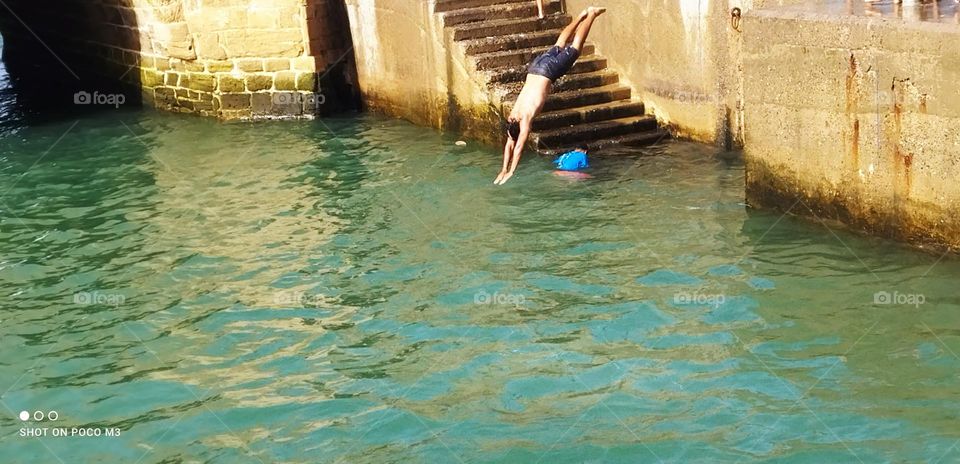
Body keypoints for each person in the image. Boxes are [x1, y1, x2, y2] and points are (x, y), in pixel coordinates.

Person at [494, 7, 606, 186]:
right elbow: (509, 145)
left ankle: (591, 15)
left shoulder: (524, 123)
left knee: (575, 49)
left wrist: (511, 171)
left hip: (547, 72)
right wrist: (503, 169)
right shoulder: (513, 117)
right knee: (559, 44)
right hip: (535, 68)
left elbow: (517, 148)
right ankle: (580, 16)